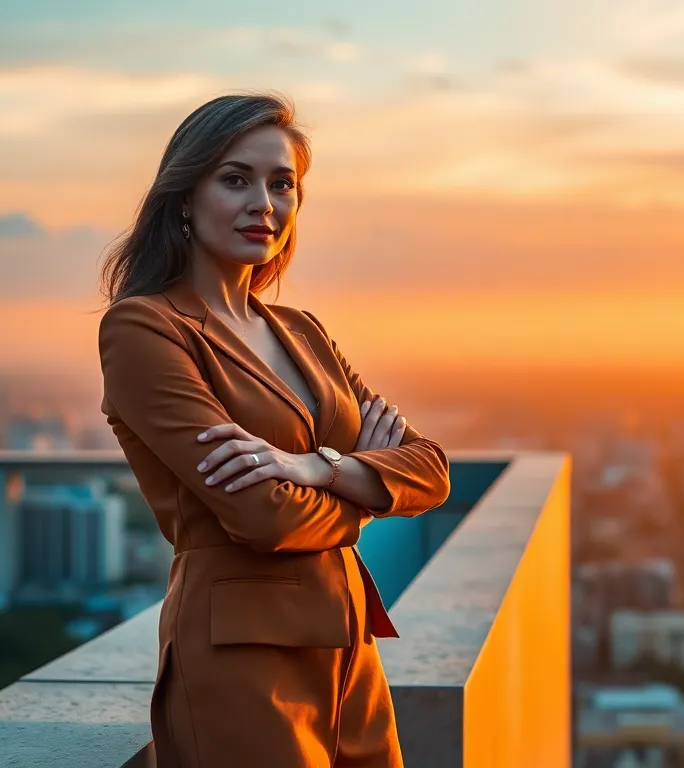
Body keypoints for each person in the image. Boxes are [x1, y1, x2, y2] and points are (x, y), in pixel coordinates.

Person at [97, 92, 451, 768]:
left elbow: (431, 469)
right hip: (242, 661)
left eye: (282, 184)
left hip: (351, 648)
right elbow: (262, 517)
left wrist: (319, 469)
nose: (264, 202)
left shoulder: (303, 333)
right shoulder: (146, 329)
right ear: (183, 197)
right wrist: (372, 487)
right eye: (236, 179)